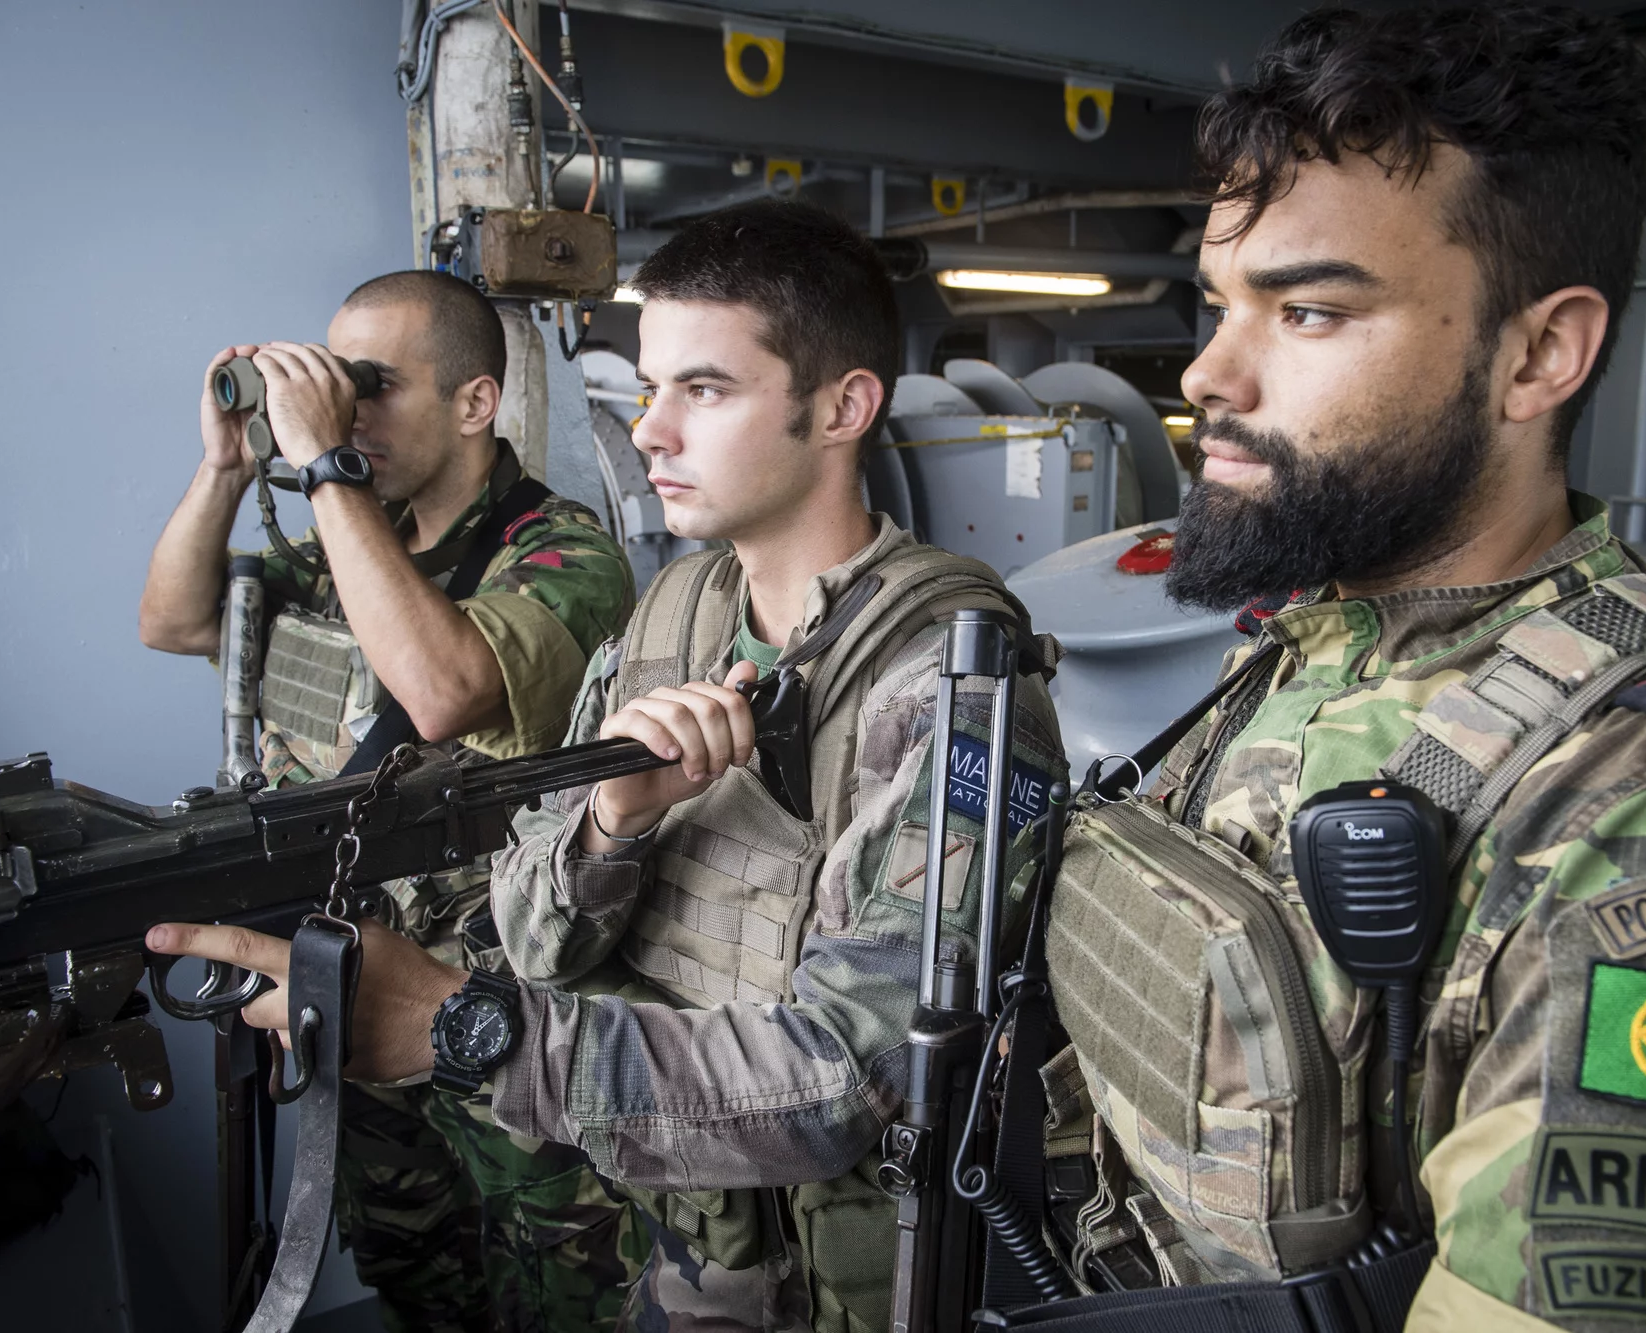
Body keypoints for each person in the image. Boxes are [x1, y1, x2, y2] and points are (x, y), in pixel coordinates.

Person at [1026, 6, 1646, 1332]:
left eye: (1308, 311)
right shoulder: (1319, 637)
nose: (1208, 373)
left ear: (1539, 354)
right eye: (1221, 304)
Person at [149, 200, 1066, 1333]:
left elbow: (849, 1077)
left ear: (843, 407)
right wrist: (612, 825)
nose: (649, 433)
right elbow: (532, 932)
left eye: (705, 390)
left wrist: (462, 1025)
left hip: (846, 1292)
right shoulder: (669, 619)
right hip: (684, 1256)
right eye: (649, 389)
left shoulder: (951, 681)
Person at [138, 270, 644, 1333]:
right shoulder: (345, 550)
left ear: (474, 402)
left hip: (501, 1022)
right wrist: (226, 464)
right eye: (334, 385)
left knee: (558, 1296)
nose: (345, 409)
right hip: (357, 995)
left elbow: (445, 687)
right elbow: (175, 622)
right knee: (419, 1283)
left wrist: (327, 466)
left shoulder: (560, 552)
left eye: (371, 385)